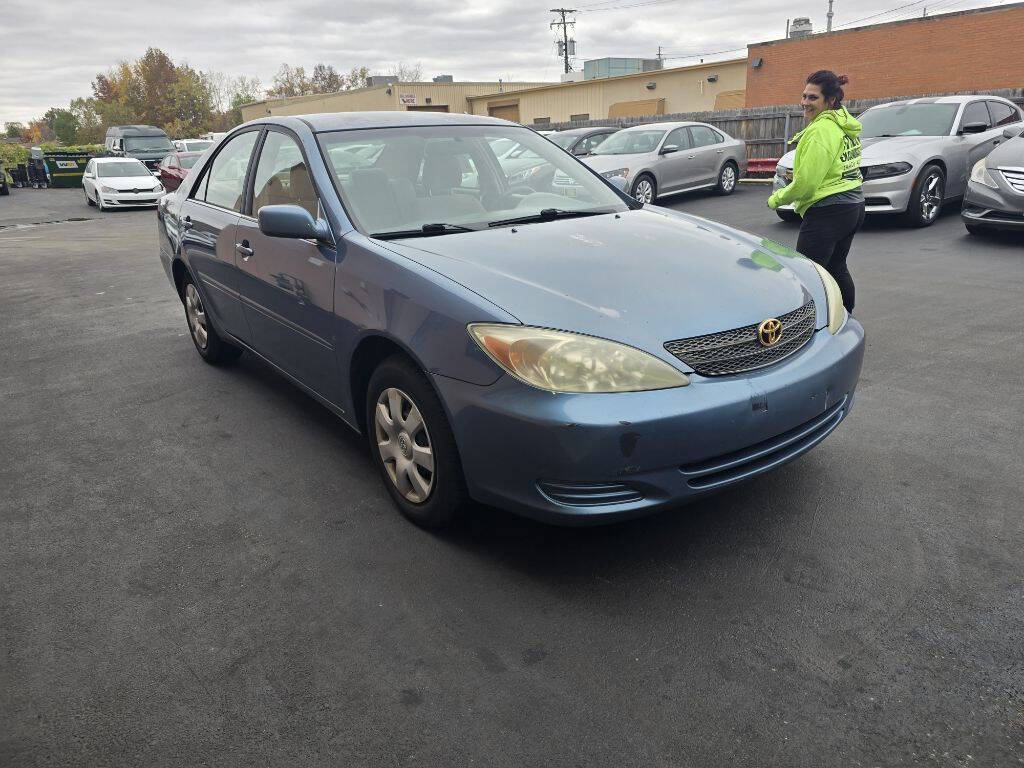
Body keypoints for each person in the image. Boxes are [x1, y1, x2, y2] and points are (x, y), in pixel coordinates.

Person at [768, 71, 864, 313]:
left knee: (808, 274)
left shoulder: (821, 130)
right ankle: (846, 317)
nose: (804, 103)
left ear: (830, 101)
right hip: (853, 206)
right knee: (835, 267)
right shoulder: (843, 124)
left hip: (828, 211)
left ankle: (815, 329)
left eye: (812, 98)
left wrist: (777, 198)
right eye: (804, 96)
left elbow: (807, 185)